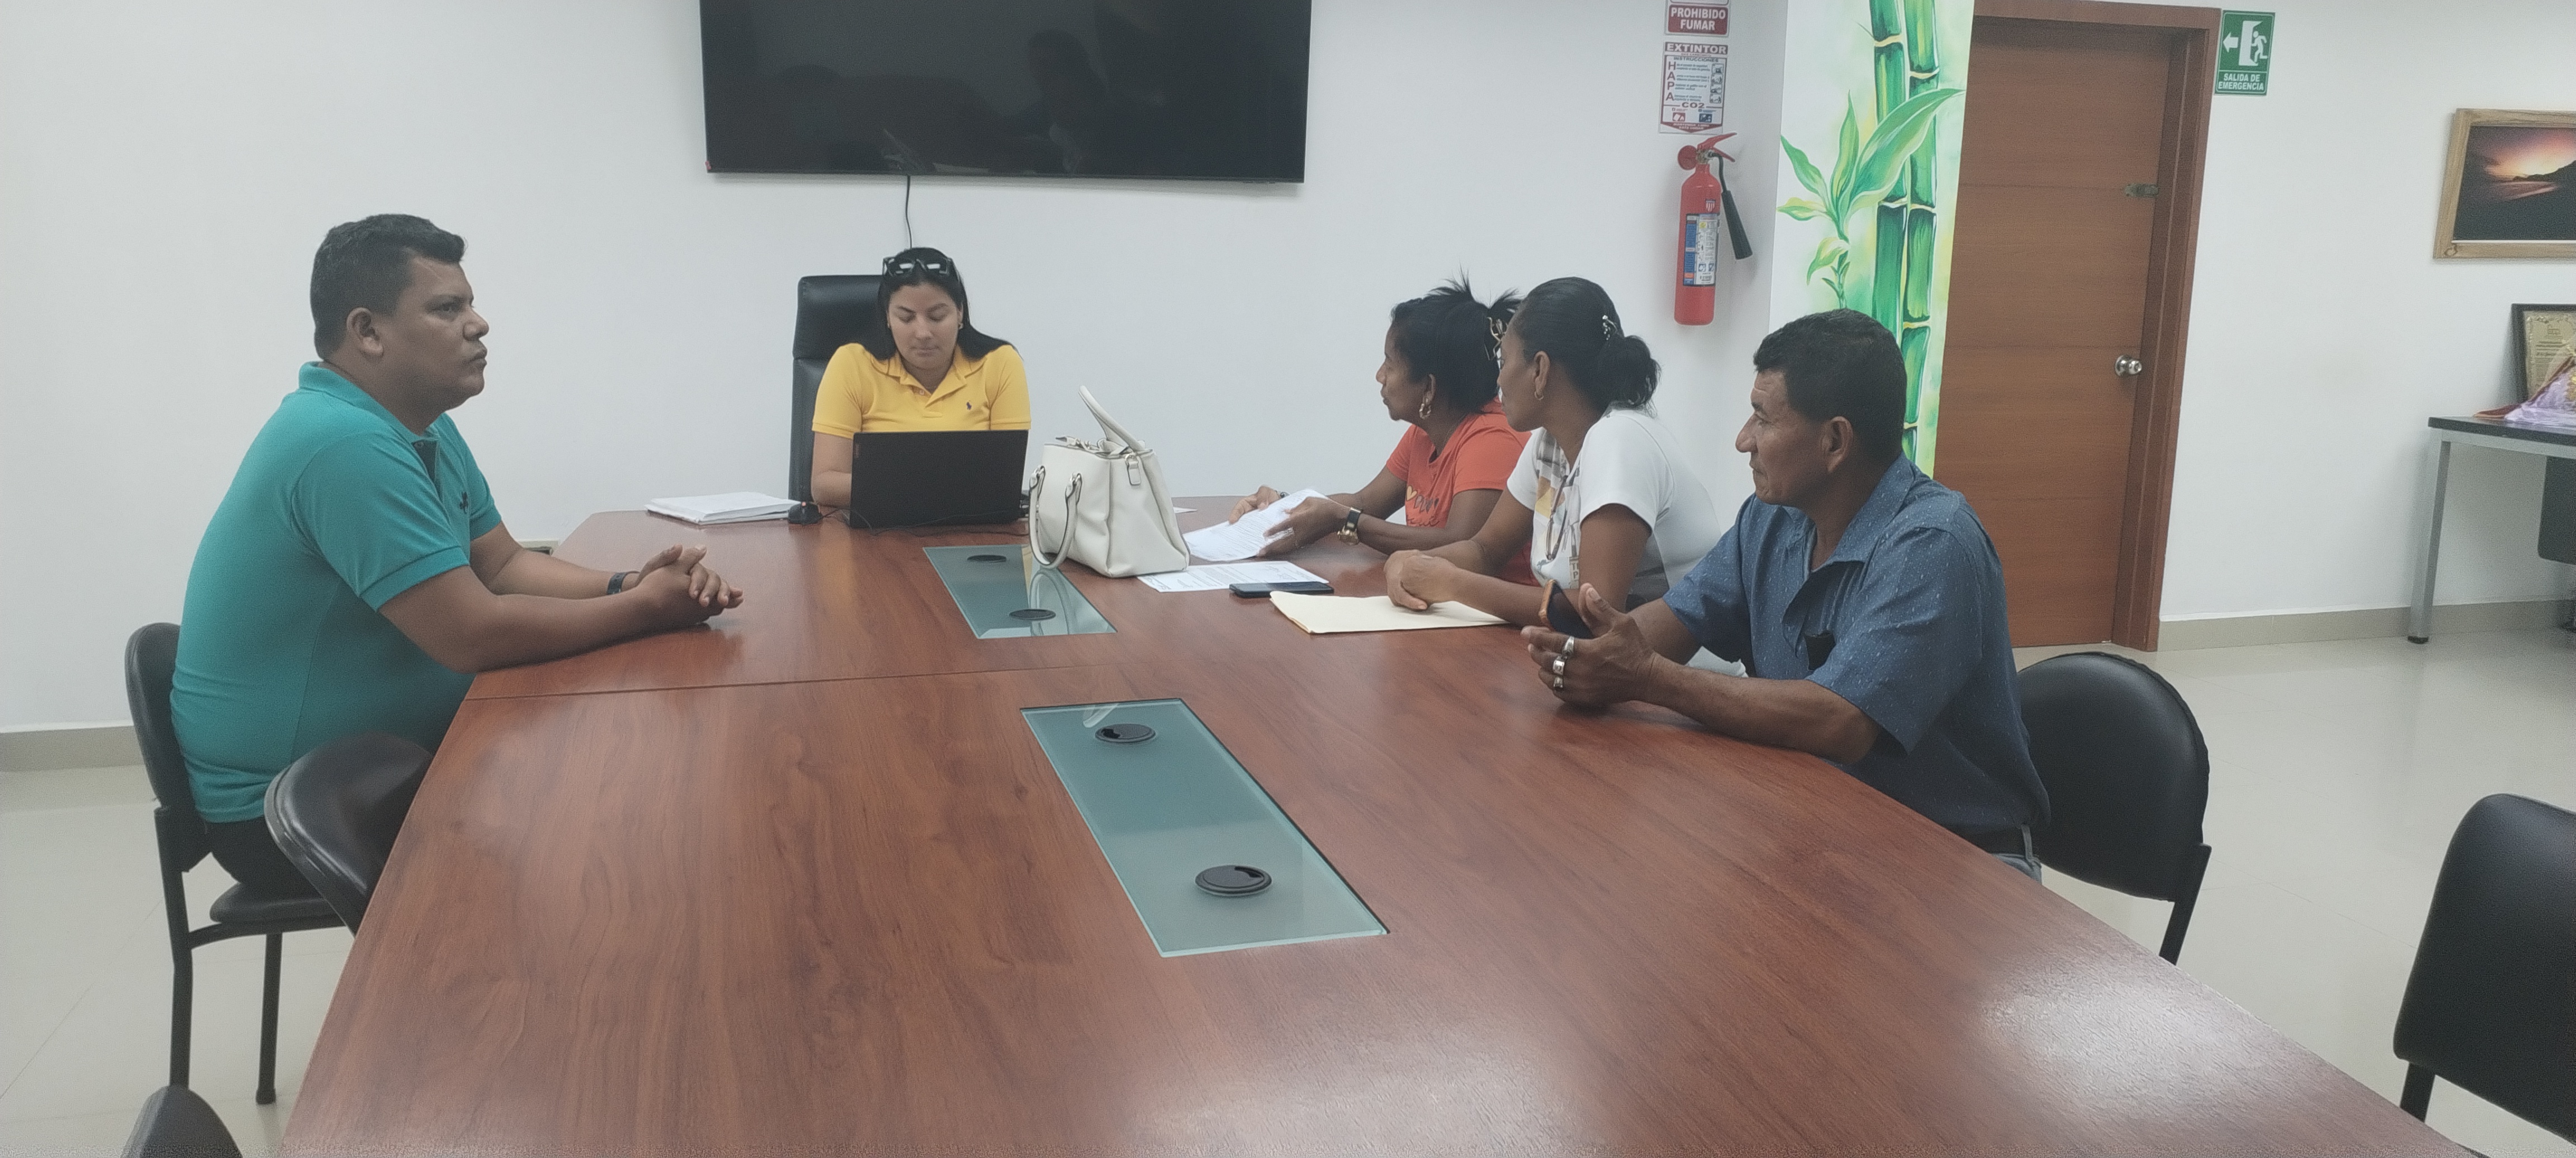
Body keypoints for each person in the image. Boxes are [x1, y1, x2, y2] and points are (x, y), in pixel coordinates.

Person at [171, 214, 744, 898]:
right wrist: (646, 610)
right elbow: (473, 633)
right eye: (447, 308)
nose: (479, 324)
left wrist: (627, 584)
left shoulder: (420, 424)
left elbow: (500, 566)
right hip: (297, 810)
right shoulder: (341, 443)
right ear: (368, 331)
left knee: (618, 782)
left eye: (469, 303)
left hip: (386, 759)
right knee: (611, 823)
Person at [1524, 310, 2048, 878]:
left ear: (1834, 440)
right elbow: (1665, 628)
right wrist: (1595, 654)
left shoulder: (1934, 543)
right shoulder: (1772, 519)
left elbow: (1840, 722)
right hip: (1824, 821)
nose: (1742, 440)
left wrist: (1646, 677)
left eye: (1763, 418)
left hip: (1958, 859)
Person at [1384, 277, 1724, 627]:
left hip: (1671, 659)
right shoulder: (1547, 443)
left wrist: (1455, 584)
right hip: (1588, 655)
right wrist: (1412, 562)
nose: (1498, 381)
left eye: (1504, 361)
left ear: (1540, 370)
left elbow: (1596, 609)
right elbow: (1486, 550)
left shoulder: (1621, 439)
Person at [1229, 280, 1533, 581]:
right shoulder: (1425, 433)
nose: (1379, 376)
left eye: (1390, 364)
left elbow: (1459, 546)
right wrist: (1281, 508)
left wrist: (1346, 520)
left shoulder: (1493, 439)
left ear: (1429, 387)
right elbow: (1366, 503)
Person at [808, 248, 1029, 507]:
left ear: (960, 312)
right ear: (887, 317)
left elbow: (1005, 481)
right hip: (879, 526)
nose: (923, 333)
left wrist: (902, 484)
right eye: (906, 318)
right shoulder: (852, 364)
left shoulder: (1000, 363)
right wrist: (929, 485)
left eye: (937, 316)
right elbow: (824, 485)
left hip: (971, 525)